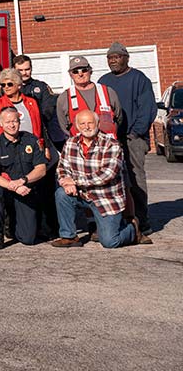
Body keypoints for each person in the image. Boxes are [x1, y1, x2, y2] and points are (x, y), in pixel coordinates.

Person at [51, 110, 147, 249]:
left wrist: (75, 181)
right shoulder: (70, 143)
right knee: (61, 194)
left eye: (90, 122)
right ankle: (69, 236)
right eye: (82, 123)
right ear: (77, 126)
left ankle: (132, 228)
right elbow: (62, 168)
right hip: (82, 194)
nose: (87, 126)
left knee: (110, 242)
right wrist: (65, 180)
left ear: (97, 124)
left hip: (106, 199)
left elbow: (107, 174)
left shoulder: (111, 144)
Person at [99, 42, 158, 236]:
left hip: (133, 139)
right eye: (110, 57)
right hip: (109, 140)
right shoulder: (103, 81)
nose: (113, 60)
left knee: (135, 178)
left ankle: (142, 220)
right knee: (110, 180)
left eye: (117, 56)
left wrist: (134, 133)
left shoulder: (139, 79)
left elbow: (147, 109)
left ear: (126, 58)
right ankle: (117, 219)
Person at [0, 107, 47, 250]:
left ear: (19, 122)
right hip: (6, 190)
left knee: (28, 239)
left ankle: (11, 224)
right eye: (8, 122)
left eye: (15, 121)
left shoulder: (31, 141)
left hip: (26, 190)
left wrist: (22, 181)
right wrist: (13, 186)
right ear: (1, 123)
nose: (12, 125)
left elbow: (41, 170)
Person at [55, 56, 122, 138]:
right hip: (80, 147)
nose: (80, 74)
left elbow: (119, 118)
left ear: (90, 71)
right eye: (75, 71)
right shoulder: (64, 98)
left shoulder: (108, 92)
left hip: (108, 146)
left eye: (84, 70)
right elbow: (64, 126)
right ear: (70, 75)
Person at [13, 54, 64, 152]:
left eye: (27, 69)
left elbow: (48, 109)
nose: (24, 73)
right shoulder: (10, 88)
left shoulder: (41, 87)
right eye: (20, 70)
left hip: (39, 130)